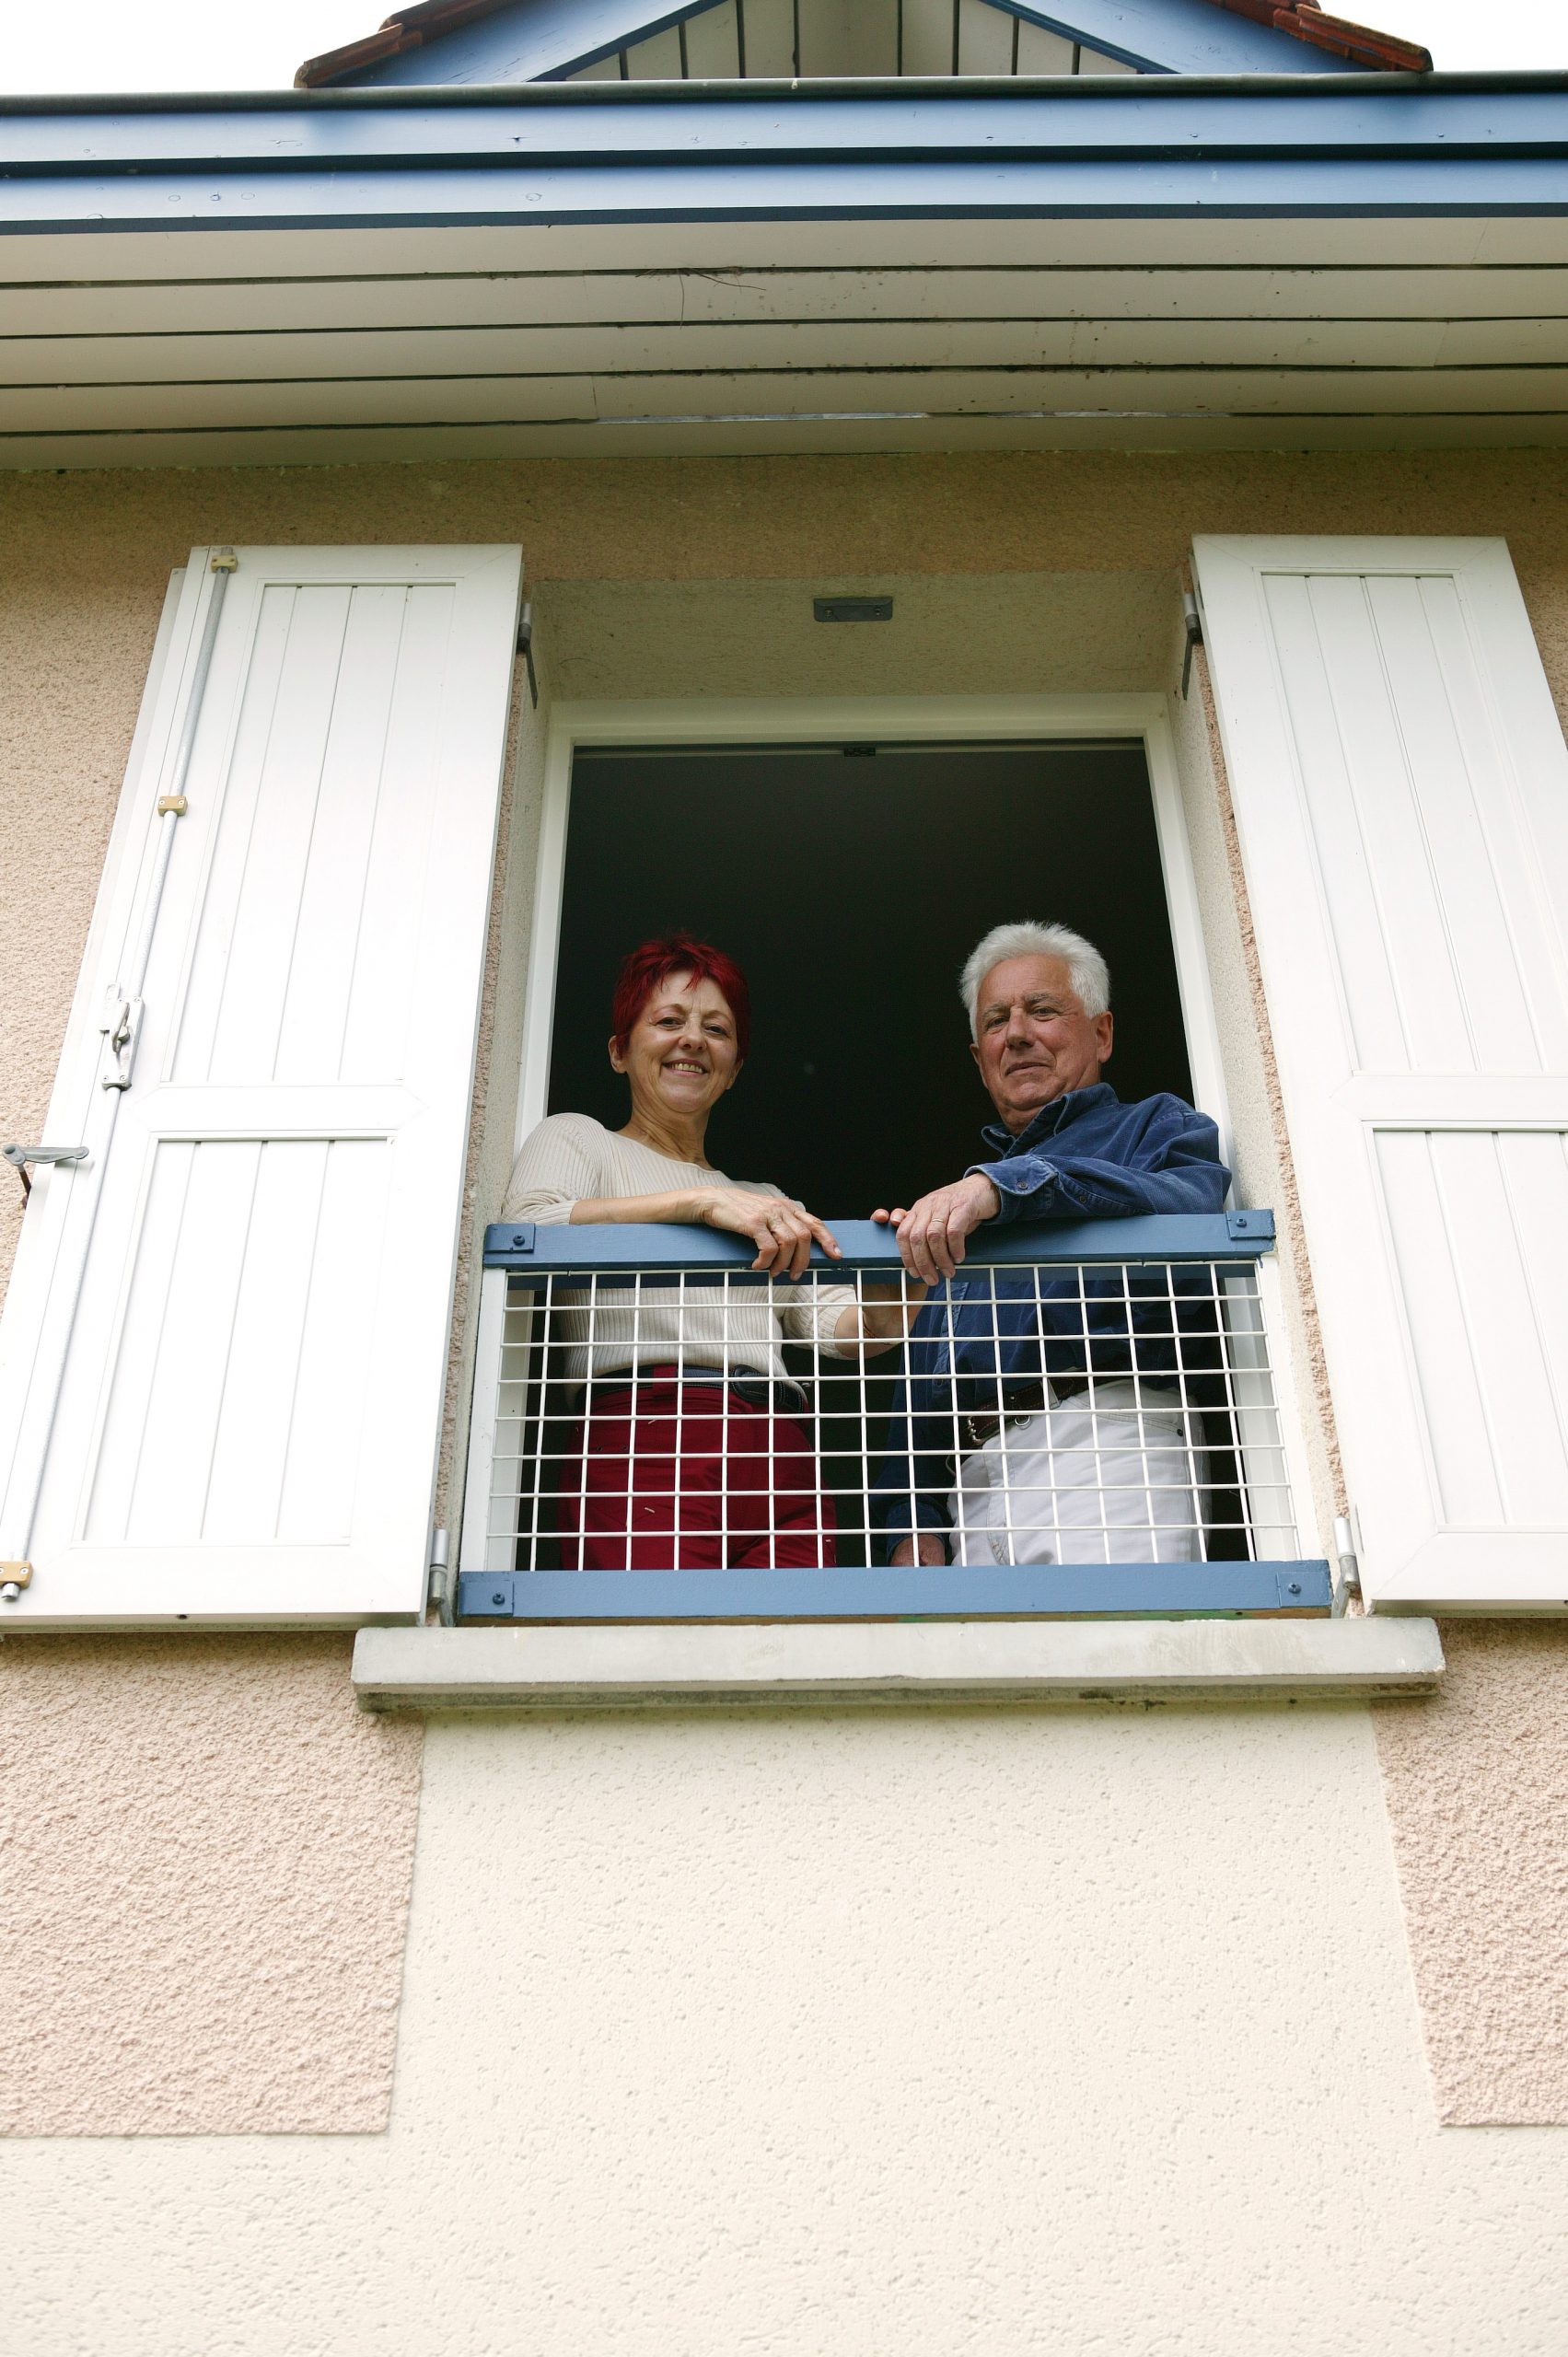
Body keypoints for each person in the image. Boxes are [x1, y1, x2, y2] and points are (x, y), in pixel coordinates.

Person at [503, 935, 910, 1570]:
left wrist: (898, 1268)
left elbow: (847, 1331)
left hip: (779, 1449)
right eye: (668, 1021)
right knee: (661, 1653)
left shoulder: (762, 1198)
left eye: (714, 1029)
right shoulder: (579, 1139)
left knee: (789, 1657)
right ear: (619, 1051)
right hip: (647, 1432)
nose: (691, 1039)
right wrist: (692, 1201)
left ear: (734, 1066)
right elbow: (532, 1224)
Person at [872, 921, 1230, 1569]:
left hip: (1101, 1443)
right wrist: (911, 1525)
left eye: (1042, 1011)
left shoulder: (1155, 1126)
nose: (1015, 1034)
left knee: (1118, 1660)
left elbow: (1190, 1205)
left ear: (1101, 1032)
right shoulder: (954, 1210)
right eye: (995, 1022)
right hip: (970, 1488)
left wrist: (1007, 1187)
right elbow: (914, 1400)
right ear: (979, 1058)